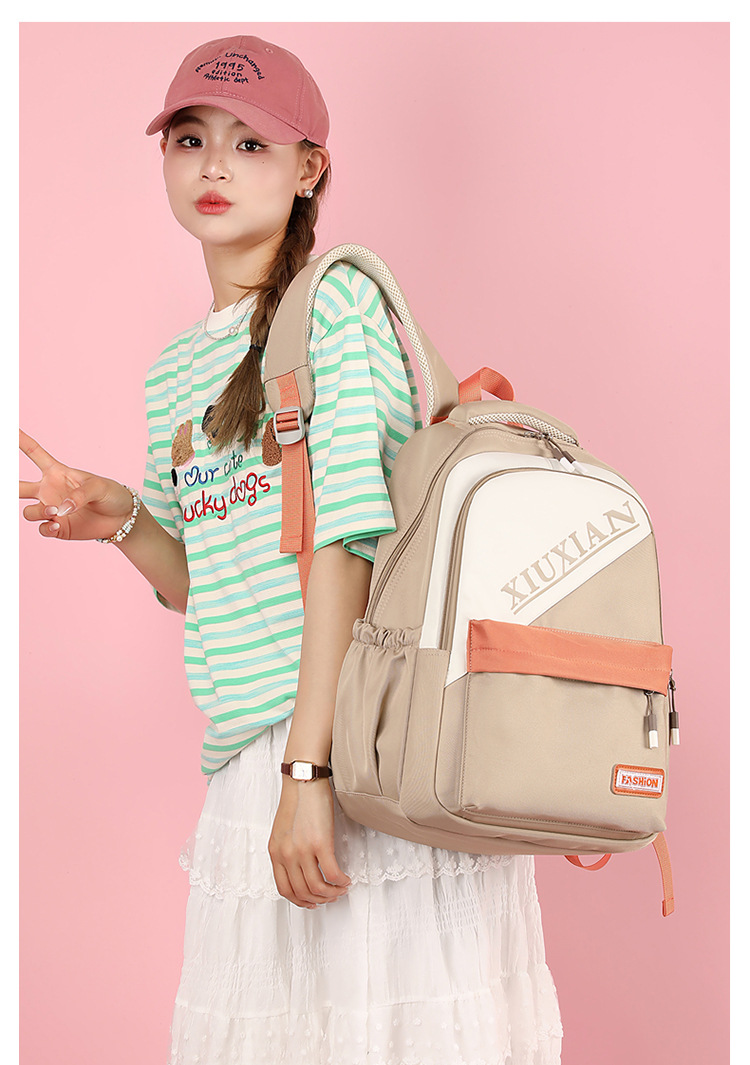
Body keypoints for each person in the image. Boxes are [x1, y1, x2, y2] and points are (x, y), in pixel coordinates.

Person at [20, 33, 563, 1065]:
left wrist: (309, 770)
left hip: (357, 744)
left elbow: (348, 547)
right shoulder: (173, 373)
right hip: (250, 755)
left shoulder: (337, 305)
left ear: (309, 168)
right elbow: (214, 588)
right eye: (190, 138)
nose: (214, 166)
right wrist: (124, 518)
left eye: (250, 144)